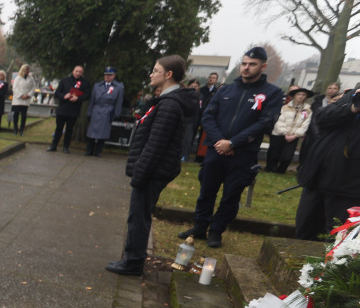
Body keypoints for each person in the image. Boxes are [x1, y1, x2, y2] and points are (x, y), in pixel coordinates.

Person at [178, 47, 283, 248]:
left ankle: (216, 231)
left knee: (231, 195)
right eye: (244, 63)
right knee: (207, 191)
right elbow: (208, 116)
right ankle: (200, 227)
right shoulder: (225, 90)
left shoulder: (272, 93)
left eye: (252, 64)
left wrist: (234, 143)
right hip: (216, 150)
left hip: (243, 154)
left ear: (263, 66)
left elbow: (265, 123)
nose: (246, 68)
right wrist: (221, 142)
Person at [107, 56, 197, 276]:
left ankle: (133, 262)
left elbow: (155, 144)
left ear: (168, 75)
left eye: (156, 70)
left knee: (138, 216)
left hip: (152, 171)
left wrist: (139, 174)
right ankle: (133, 258)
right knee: (139, 214)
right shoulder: (166, 101)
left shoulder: (169, 105)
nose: (151, 74)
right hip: (153, 169)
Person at [295, 86, 360, 241]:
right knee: (305, 228)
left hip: (348, 187)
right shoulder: (351, 96)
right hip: (317, 178)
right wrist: (351, 108)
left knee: (336, 237)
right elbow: (321, 117)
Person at [265, 87, 313, 173]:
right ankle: (270, 169)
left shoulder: (308, 110)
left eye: (303, 95)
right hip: (279, 133)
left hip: (294, 136)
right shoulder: (284, 107)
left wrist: (296, 135)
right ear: (294, 96)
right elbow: (279, 120)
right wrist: (285, 133)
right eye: (298, 94)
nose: (301, 97)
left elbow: (305, 124)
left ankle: (281, 171)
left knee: (287, 156)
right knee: (274, 153)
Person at [49, 65, 90, 153]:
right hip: (62, 109)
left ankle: (66, 147)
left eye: (80, 72)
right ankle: (54, 145)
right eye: (77, 71)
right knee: (59, 128)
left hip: (74, 109)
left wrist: (78, 98)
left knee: (69, 130)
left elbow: (87, 95)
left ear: (82, 73)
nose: (78, 73)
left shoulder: (85, 83)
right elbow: (57, 93)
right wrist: (64, 96)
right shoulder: (64, 80)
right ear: (73, 71)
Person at [86, 66, 124, 156]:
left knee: (103, 132)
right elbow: (92, 100)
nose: (107, 77)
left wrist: (116, 113)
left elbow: (119, 101)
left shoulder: (118, 87)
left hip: (108, 110)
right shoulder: (97, 85)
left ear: (114, 75)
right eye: (106, 75)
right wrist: (89, 112)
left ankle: (98, 151)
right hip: (96, 109)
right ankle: (89, 150)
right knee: (92, 131)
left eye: (110, 75)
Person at [11, 64, 34, 135]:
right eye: (27, 69)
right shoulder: (18, 78)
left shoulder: (31, 78)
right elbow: (15, 88)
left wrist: (28, 95)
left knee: (24, 115)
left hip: (26, 99)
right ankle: (15, 129)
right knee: (16, 114)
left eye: (28, 69)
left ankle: (21, 129)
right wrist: (21, 95)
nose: (28, 71)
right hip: (18, 99)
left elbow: (33, 88)